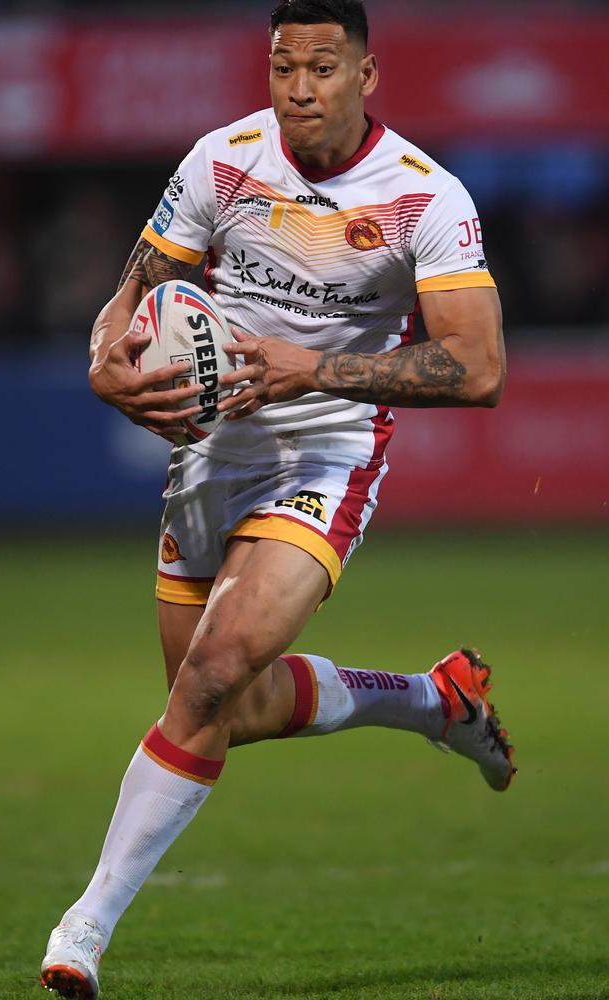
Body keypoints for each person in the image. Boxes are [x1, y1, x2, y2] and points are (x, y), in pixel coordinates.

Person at [40, 1, 515, 996]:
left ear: (365, 76)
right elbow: (131, 298)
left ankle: (84, 926)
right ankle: (434, 699)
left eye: (321, 69)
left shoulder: (425, 198)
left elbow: (477, 371)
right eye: (282, 67)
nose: (298, 89)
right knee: (222, 703)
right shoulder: (221, 160)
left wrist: (320, 368)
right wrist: (104, 363)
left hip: (326, 450)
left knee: (213, 671)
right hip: (212, 448)